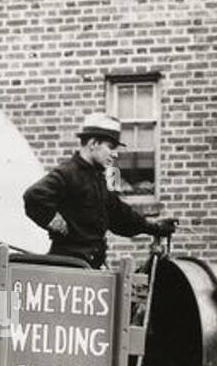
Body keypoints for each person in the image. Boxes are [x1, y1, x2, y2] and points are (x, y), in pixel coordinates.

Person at [23, 113, 177, 268]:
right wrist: (57, 223)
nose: (115, 154)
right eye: (110, 147)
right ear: (93, 143)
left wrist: (155, 227)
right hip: (69, 267)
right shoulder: (68, 173)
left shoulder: (98, 179)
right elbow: (34, 196)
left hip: (90, 266)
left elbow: (120, 215)